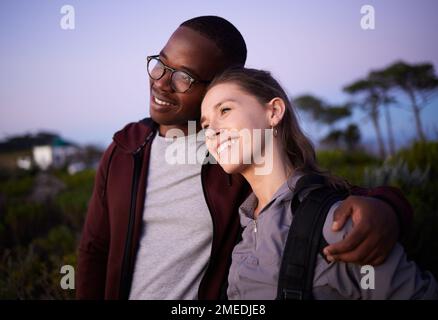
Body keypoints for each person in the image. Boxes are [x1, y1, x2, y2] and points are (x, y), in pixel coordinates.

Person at [77, 16, 413, 300]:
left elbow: (309, 194)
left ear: (218, 85)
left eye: (184, 77)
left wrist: (388, 208)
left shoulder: (233, 151)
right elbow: (94, 249)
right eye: (160, 63)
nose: (162, 82)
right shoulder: (125, 149)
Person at [200, 67, 437, 299]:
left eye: (225, 110)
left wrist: (389, 208)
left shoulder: (339, 223)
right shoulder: (242, 229)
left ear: (273, 112)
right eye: (205, 125)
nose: (212, 131)